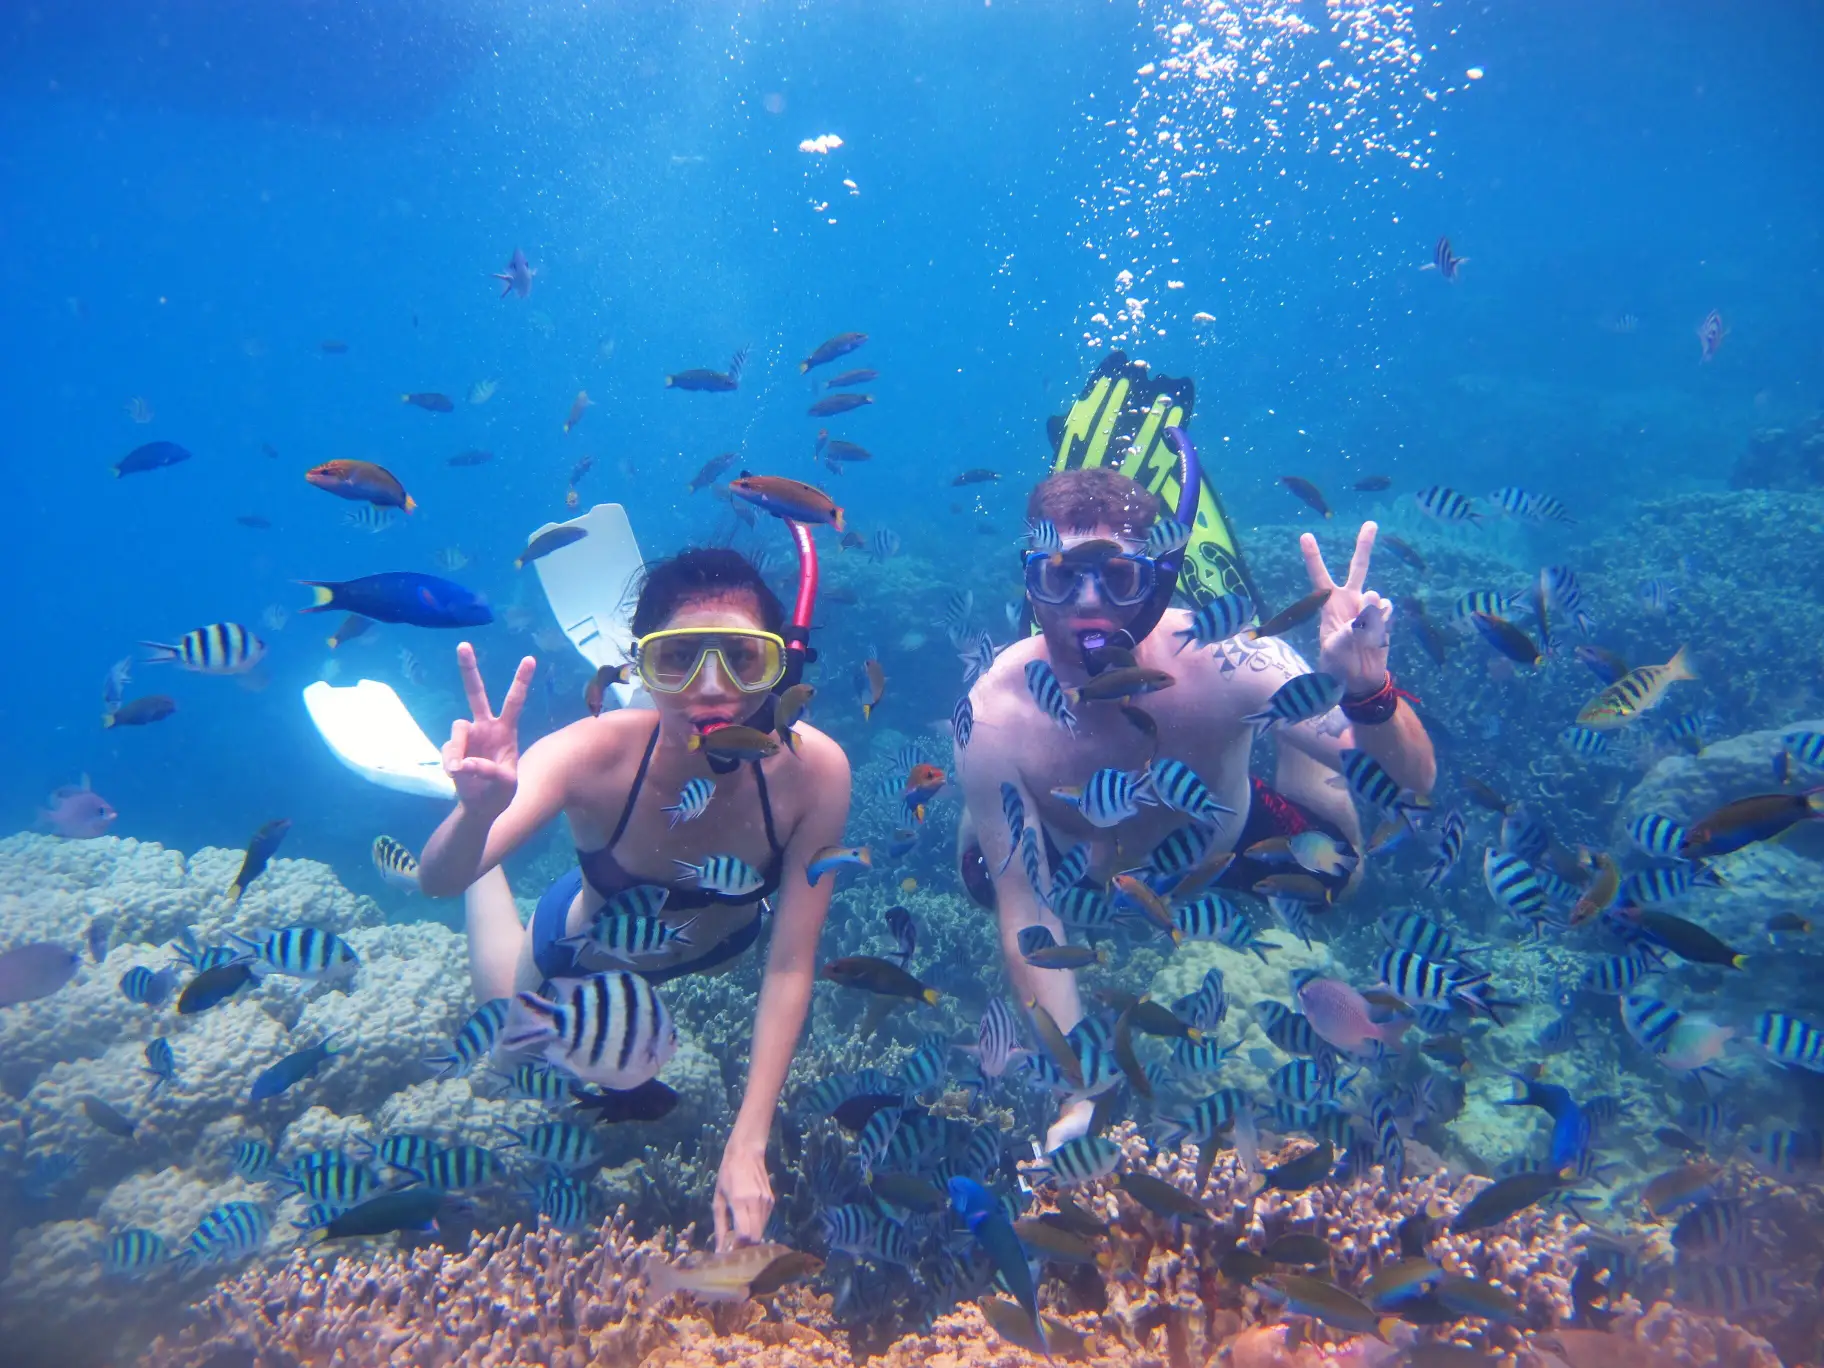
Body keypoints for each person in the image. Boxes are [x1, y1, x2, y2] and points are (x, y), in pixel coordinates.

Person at [953, 466, 1436, 1147]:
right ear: (1029, 582)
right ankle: (989, 806)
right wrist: (1082, 1090)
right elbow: (1027, 911)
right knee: (983, 876)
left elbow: (1412, 781)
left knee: (1340, 877)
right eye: (1059, 578)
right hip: (1073, 862)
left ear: (1155, 578)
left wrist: (1368, 690)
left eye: (1118, 579)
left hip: (1219, 844)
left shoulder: (1234, 661)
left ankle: (1294, 748)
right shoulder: (996, 712)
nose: (1088, 605)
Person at [417, 547, 851, 1248]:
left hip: (720, 948)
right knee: (504, 1038)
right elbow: (434, 882)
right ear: (638, 666)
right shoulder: (588, 754)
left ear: (783, 666)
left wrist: (749, 1139)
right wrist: (475, 816)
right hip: (583, 952)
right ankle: (457, 806)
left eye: (743, 659)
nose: (712, 689)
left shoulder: (817, 771)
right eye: (676, 660)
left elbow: (791, 963)